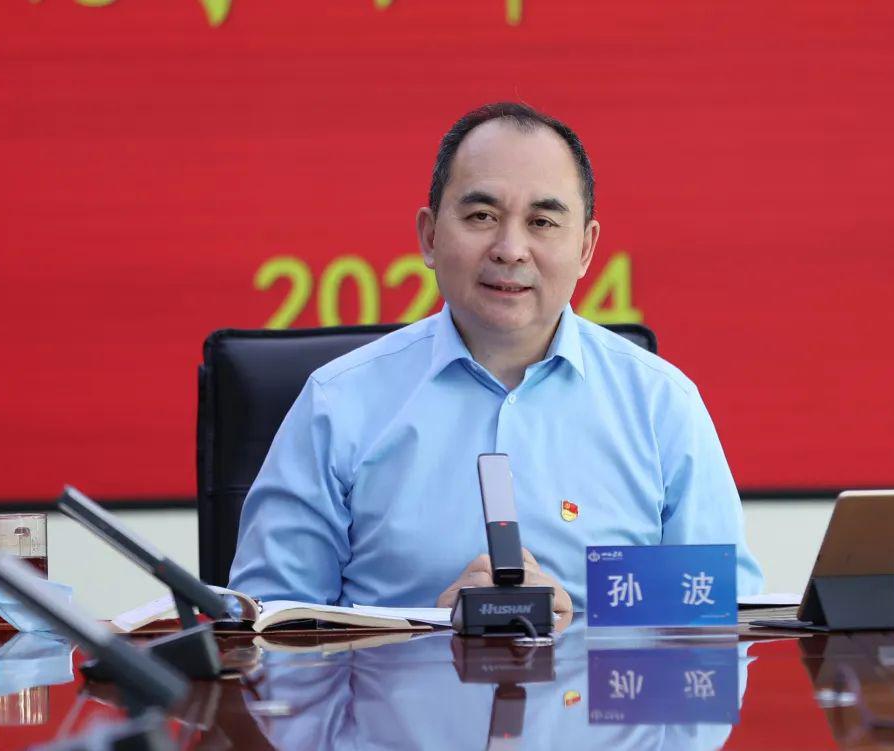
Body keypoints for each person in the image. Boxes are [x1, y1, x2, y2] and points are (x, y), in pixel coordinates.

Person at [229, 102, 762, 612]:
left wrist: (579, 622)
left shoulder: (662, 405)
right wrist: (434, 629)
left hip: (592, 681)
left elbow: (720, 614)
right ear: (430, 236)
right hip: (394, 682)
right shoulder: (338, 402)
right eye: (482, 215)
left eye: (542, 222)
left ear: (585, 249)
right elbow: (266, 627)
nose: (510, 248)